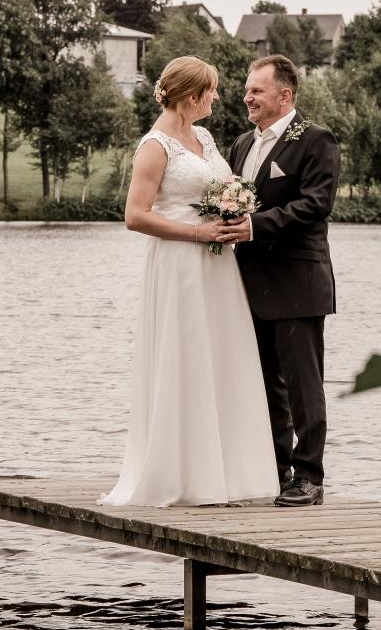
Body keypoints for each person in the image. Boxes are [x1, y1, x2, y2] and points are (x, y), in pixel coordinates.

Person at [99, 56, 281, 507]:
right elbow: (135, 216)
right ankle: (182, 474)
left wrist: (233, 208)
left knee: (221, 357)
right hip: (180, 263)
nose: (219, 97)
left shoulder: (203, 136)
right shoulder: (154, 146)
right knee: (186, 359)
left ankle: (227, 476)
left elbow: (219, 186)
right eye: (212, 90)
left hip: (218, 265)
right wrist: (198, 232)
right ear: (190, 95)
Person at [219, 54, 339, 507]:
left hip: (298, 282)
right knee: (267, 384)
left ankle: (310, 477)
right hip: (249, 284)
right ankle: (276, 470)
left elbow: (315, 204)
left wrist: (255, 226)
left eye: (256, 91)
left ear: (284, 95)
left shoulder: (314, 139)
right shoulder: (241, 145)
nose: (246, 97)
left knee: (304, 385)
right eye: (247, 90)